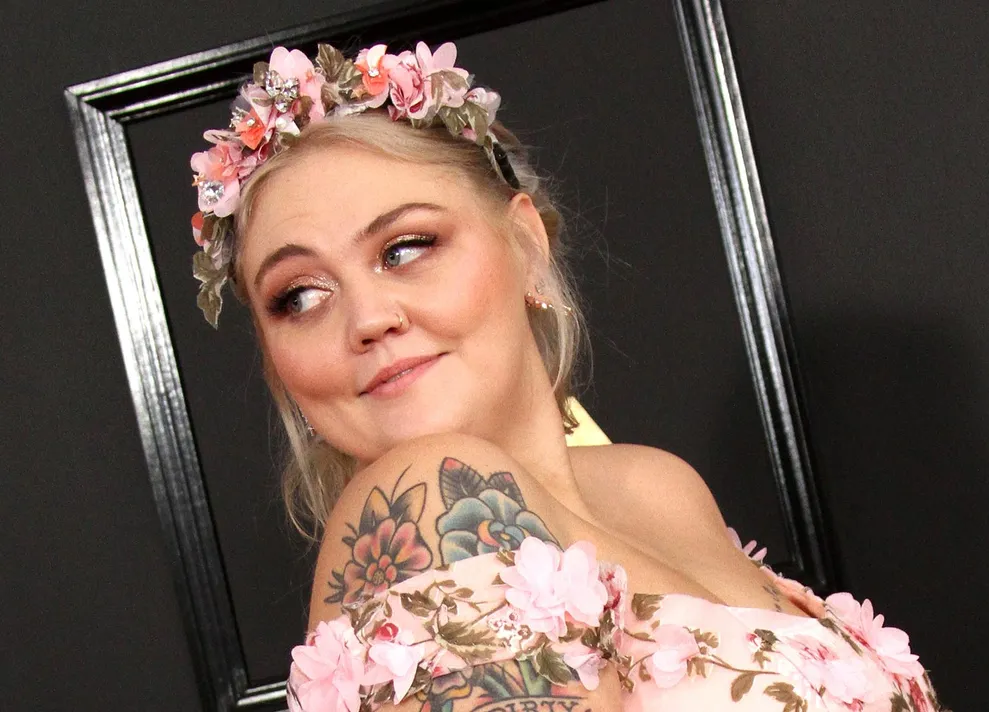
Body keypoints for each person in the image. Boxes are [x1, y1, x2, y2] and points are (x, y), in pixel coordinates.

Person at [188, 40, 946, 712]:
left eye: (406, 248)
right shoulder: (420, 500)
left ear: (524, 245)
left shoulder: (657, 486)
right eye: (299, 296)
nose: (368, 317)